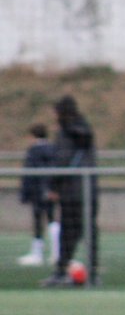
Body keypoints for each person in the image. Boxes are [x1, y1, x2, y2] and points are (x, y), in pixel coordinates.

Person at [42, 96, 98, 287]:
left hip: (70, 190)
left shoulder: (66, 133)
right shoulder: (86, 130)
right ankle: (93, 272)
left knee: (68, 231)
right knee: (89, 231)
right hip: (89, 189)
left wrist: (53, 186)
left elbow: (62, 161)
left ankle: (61, 271)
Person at [18, 124, 60, 267]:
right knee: (51, 219)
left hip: (37, 190)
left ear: (33, 136)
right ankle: (57, 253)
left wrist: (25, 194)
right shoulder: (53, 149)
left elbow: (29, 174)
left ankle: (37, 254)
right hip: (50, 189)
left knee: (37, 221)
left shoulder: (33, 151)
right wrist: (54, 189)